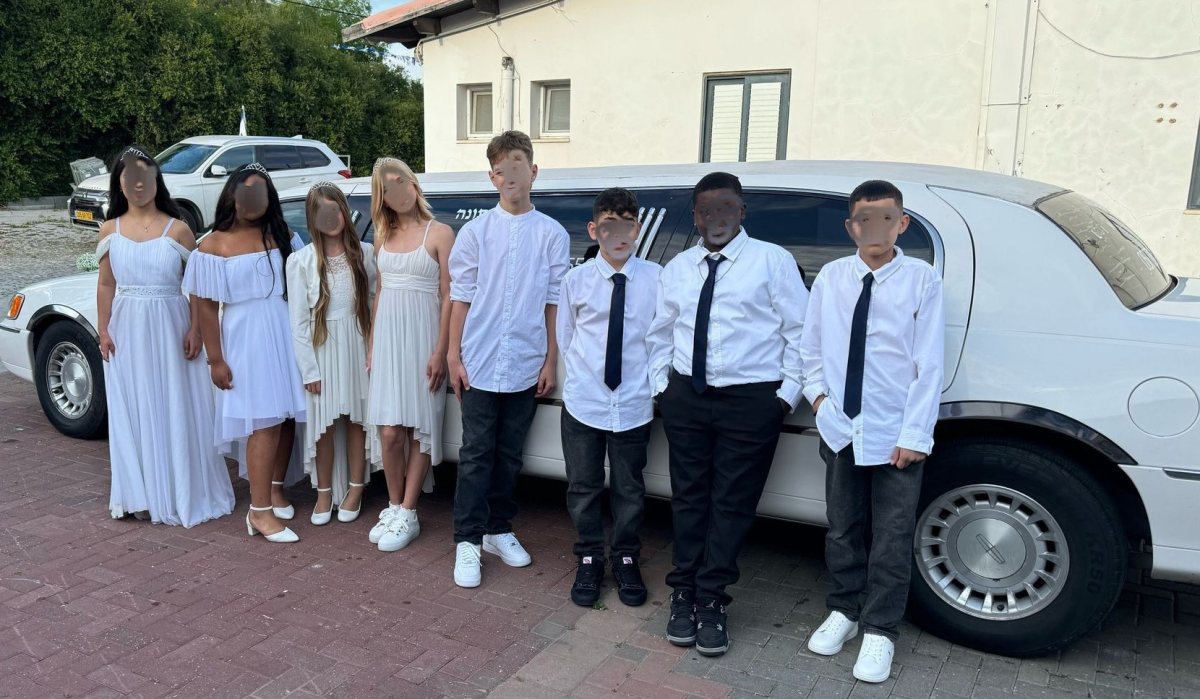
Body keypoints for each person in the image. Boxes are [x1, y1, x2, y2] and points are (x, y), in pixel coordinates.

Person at [647, 171, 807, 657]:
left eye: (726, 207)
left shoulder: (772, 261)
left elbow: (801, 333)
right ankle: (683, 592)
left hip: (751, 401)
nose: (716, 217)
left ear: (742, 212)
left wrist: (784, 398)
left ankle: (713, 597)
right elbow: (660, 332)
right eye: (706, 210)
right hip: (687, 397)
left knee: (733, 503)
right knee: (689, 498)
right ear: (695, 217)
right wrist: (662, 389)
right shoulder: (679, 267)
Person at [801, 179, 944, 683]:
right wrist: (820, 402)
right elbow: (810, 348)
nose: (874, 228)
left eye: (885, 218)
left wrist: (915, 434)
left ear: (901, 223)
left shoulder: (921, 280)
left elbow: (929, 362)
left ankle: (880, 629)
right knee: (842, 527)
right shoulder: (832, 277)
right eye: (864, 219)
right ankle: (843, 609)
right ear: (851, 227)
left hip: (894, 431)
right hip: (841, 426)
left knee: (892, 534)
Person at [448, 130, 570, 588]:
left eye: (518, 166)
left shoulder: (552, 234)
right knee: (476, 453)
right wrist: (454, 355)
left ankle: (498, 529)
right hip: (479, 360)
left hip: (525, 360)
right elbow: (460, 297)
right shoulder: (475, 232)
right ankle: (467, 539)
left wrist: (550, 360)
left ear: (533, 171)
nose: (510, 176)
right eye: (501, 169)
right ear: (492, 177)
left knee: (509, 454)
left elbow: (554, 302)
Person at [96, 145, 234, 527]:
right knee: (134, 406)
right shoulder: (110, 230)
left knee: (176, 403)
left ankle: (179, 489)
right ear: (120, 184)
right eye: (130, 176)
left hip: (172, 326)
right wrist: (103, 329)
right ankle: (138, 493)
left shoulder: (179, 229)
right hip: (127, 330)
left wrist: (196, 329)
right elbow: (106, 283)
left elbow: (196, 287)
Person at [184, 163, 307, 543]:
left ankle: (274, 490)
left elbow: (305, 283)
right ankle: (259, 512)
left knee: (286, 418)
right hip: (245, 339)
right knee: (264, 422)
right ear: (232, 197)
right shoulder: (212, 245)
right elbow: (206, 307)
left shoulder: (283, 236)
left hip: (284, 333)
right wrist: (216, 359)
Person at [558, 187, 660, 607]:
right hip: (585, 402)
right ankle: (588, 556)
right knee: (583, 486)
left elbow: (660, 338)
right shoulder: (575, 281)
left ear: (637, 229)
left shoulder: (656, 279)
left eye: (627, 225)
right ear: (593, 229)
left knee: (629, 488)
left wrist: (653, 387)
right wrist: (587, 381)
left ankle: (625, 557)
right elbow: (567, 337)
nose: (618, 234)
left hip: (634, 403)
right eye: (608, 225)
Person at [364, 157, 453, 552]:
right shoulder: (382, 236)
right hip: (388, 341)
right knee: (389, 432)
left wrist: (441, 351)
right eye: (388, 188)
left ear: (414, 184)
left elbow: (450, 296)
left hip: (424, 340)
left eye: (401, 181)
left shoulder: (440, 233)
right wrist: (372, 345)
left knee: (419, 429)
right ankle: (394, 505)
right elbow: (380, 292)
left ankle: (409, 512)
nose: (398, 192)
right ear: (382, 198)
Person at [286, 183, 381, 527]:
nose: (330, 217)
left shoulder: (366, 254)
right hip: (321, 347)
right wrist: (308, 370)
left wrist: (373, 350)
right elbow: (298, 322)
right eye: (321, 212)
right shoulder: (300, 261)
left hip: (357, 343)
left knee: (356, 419)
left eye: (335, 209)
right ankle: (324, 492)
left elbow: (375, 303)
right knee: (324, 425)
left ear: (344, 211)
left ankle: (356, 488)